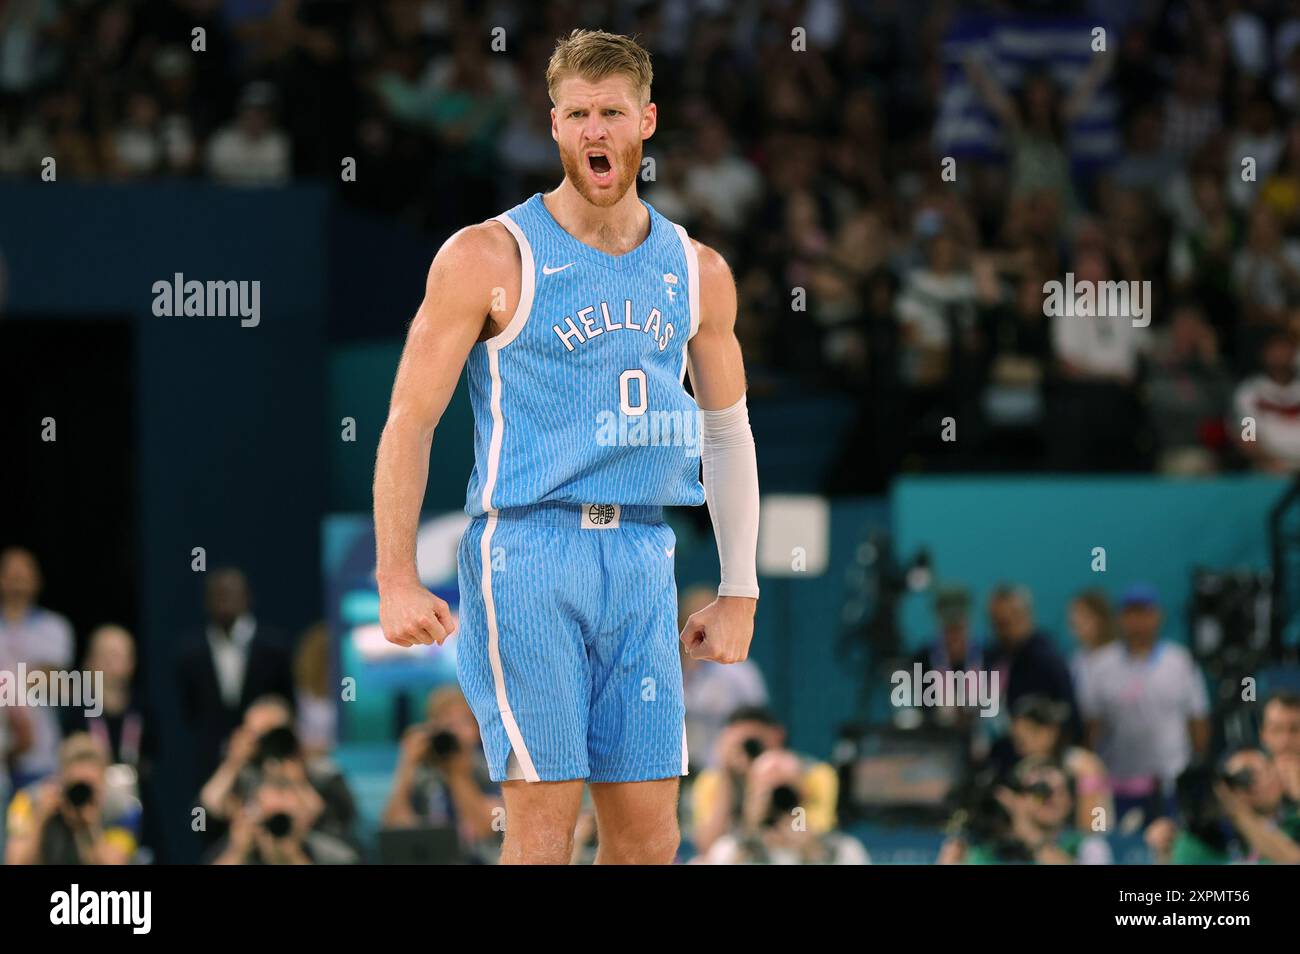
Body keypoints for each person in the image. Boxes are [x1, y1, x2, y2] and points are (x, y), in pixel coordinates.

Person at [372, 30, 761, 865]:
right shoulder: (488, 254)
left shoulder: (697, 269)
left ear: (645, 122)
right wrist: (396, 576)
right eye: (577, 113)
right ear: (553, 127)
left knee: (651, 837)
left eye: (611, 112)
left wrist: (739, 588)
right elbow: (409, 417)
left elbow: (727, 430)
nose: (595, 129)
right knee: (544, 824)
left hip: (643, 548)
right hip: (526, 548)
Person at [1080, 584, 1210, 828]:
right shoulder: (1100, 665)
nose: (1138, 621)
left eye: (1144, 613)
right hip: (1118, 784)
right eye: (1131, 613)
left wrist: (1195, 771)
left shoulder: (1180, 662)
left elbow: (1198, 721)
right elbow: (1092, 729)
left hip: (1169, 784)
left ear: (1157, 616)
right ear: (1120, 618)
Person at [176, 568, 296, 796]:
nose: (225, 601)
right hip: (211, 761)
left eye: (231, 593)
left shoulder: (274, 647)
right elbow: (190, 710)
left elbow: (286, 702)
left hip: (267, 760)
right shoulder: (190, 653)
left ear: (248, 598)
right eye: (218, 594)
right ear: (206, 601)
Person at [689, 707, 837, 857]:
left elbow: (820, 840)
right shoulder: (714, 780)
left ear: (777, 735)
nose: (750, 750)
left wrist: (793, 788)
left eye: (753, 742)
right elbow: (707, 849)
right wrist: (727, 773)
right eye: (741, 745)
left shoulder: (814, 773)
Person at [381, 686, 502, 863]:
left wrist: (457, 774)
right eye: (446, 723)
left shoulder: (490, 769)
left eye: (461, 723)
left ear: (477, 729)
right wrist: (406, 765)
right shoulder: (423, 774)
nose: (453, 732)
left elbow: (483, 829)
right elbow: (395, 830)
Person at [0, 546, 75, 789]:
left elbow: (53, 680)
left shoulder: (55, 628)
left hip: (41, 757)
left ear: (37, 581)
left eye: (24, 575)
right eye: (11, 575)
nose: (17, 582)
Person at [4, 733, 139, 865]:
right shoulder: (28, 801)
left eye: (90, 787)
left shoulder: (121, 808)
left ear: (103, 780)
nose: (82, 795)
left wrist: (90, 827)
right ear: (61, 778)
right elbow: (15, 862)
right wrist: (41, 818)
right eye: (76, 786)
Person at [680, 584, 768, 770]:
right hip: (676, 767)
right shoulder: (669, 669)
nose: (699, 628)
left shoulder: (740, 671)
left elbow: (759, 725)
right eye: (692, 619)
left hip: (723, 770)